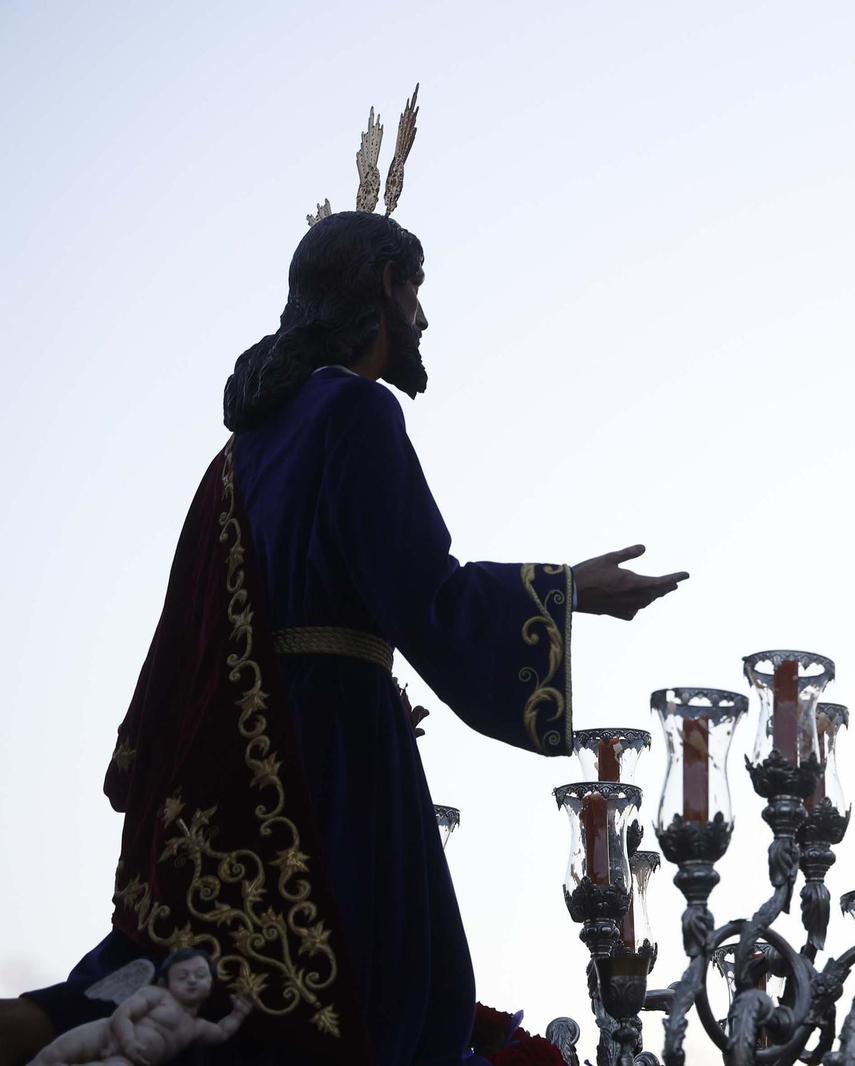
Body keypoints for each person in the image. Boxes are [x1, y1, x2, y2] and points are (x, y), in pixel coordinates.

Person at [2, 210, 687, 1066]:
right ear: (377, 296)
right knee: (382, 1008)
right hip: (333, 764)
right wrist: (567, 591)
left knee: (177, 991)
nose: (425, 319)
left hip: (228, 775)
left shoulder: (239, 454)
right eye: (416, 290)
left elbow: (182, 639)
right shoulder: (355, 413)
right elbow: (422, 593)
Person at [27, 950, 252, 1066]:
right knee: (52, 1054)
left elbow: (222, 1032)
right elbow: (123, 1013)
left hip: (129, 1062)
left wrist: (239, 1013)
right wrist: (128, 1041)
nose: (192, 980)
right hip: (107, 1032)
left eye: (201, 976)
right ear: (164, 982)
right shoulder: (158, 995)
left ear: (212, 984)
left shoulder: (196, 1027)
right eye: (182, 976)